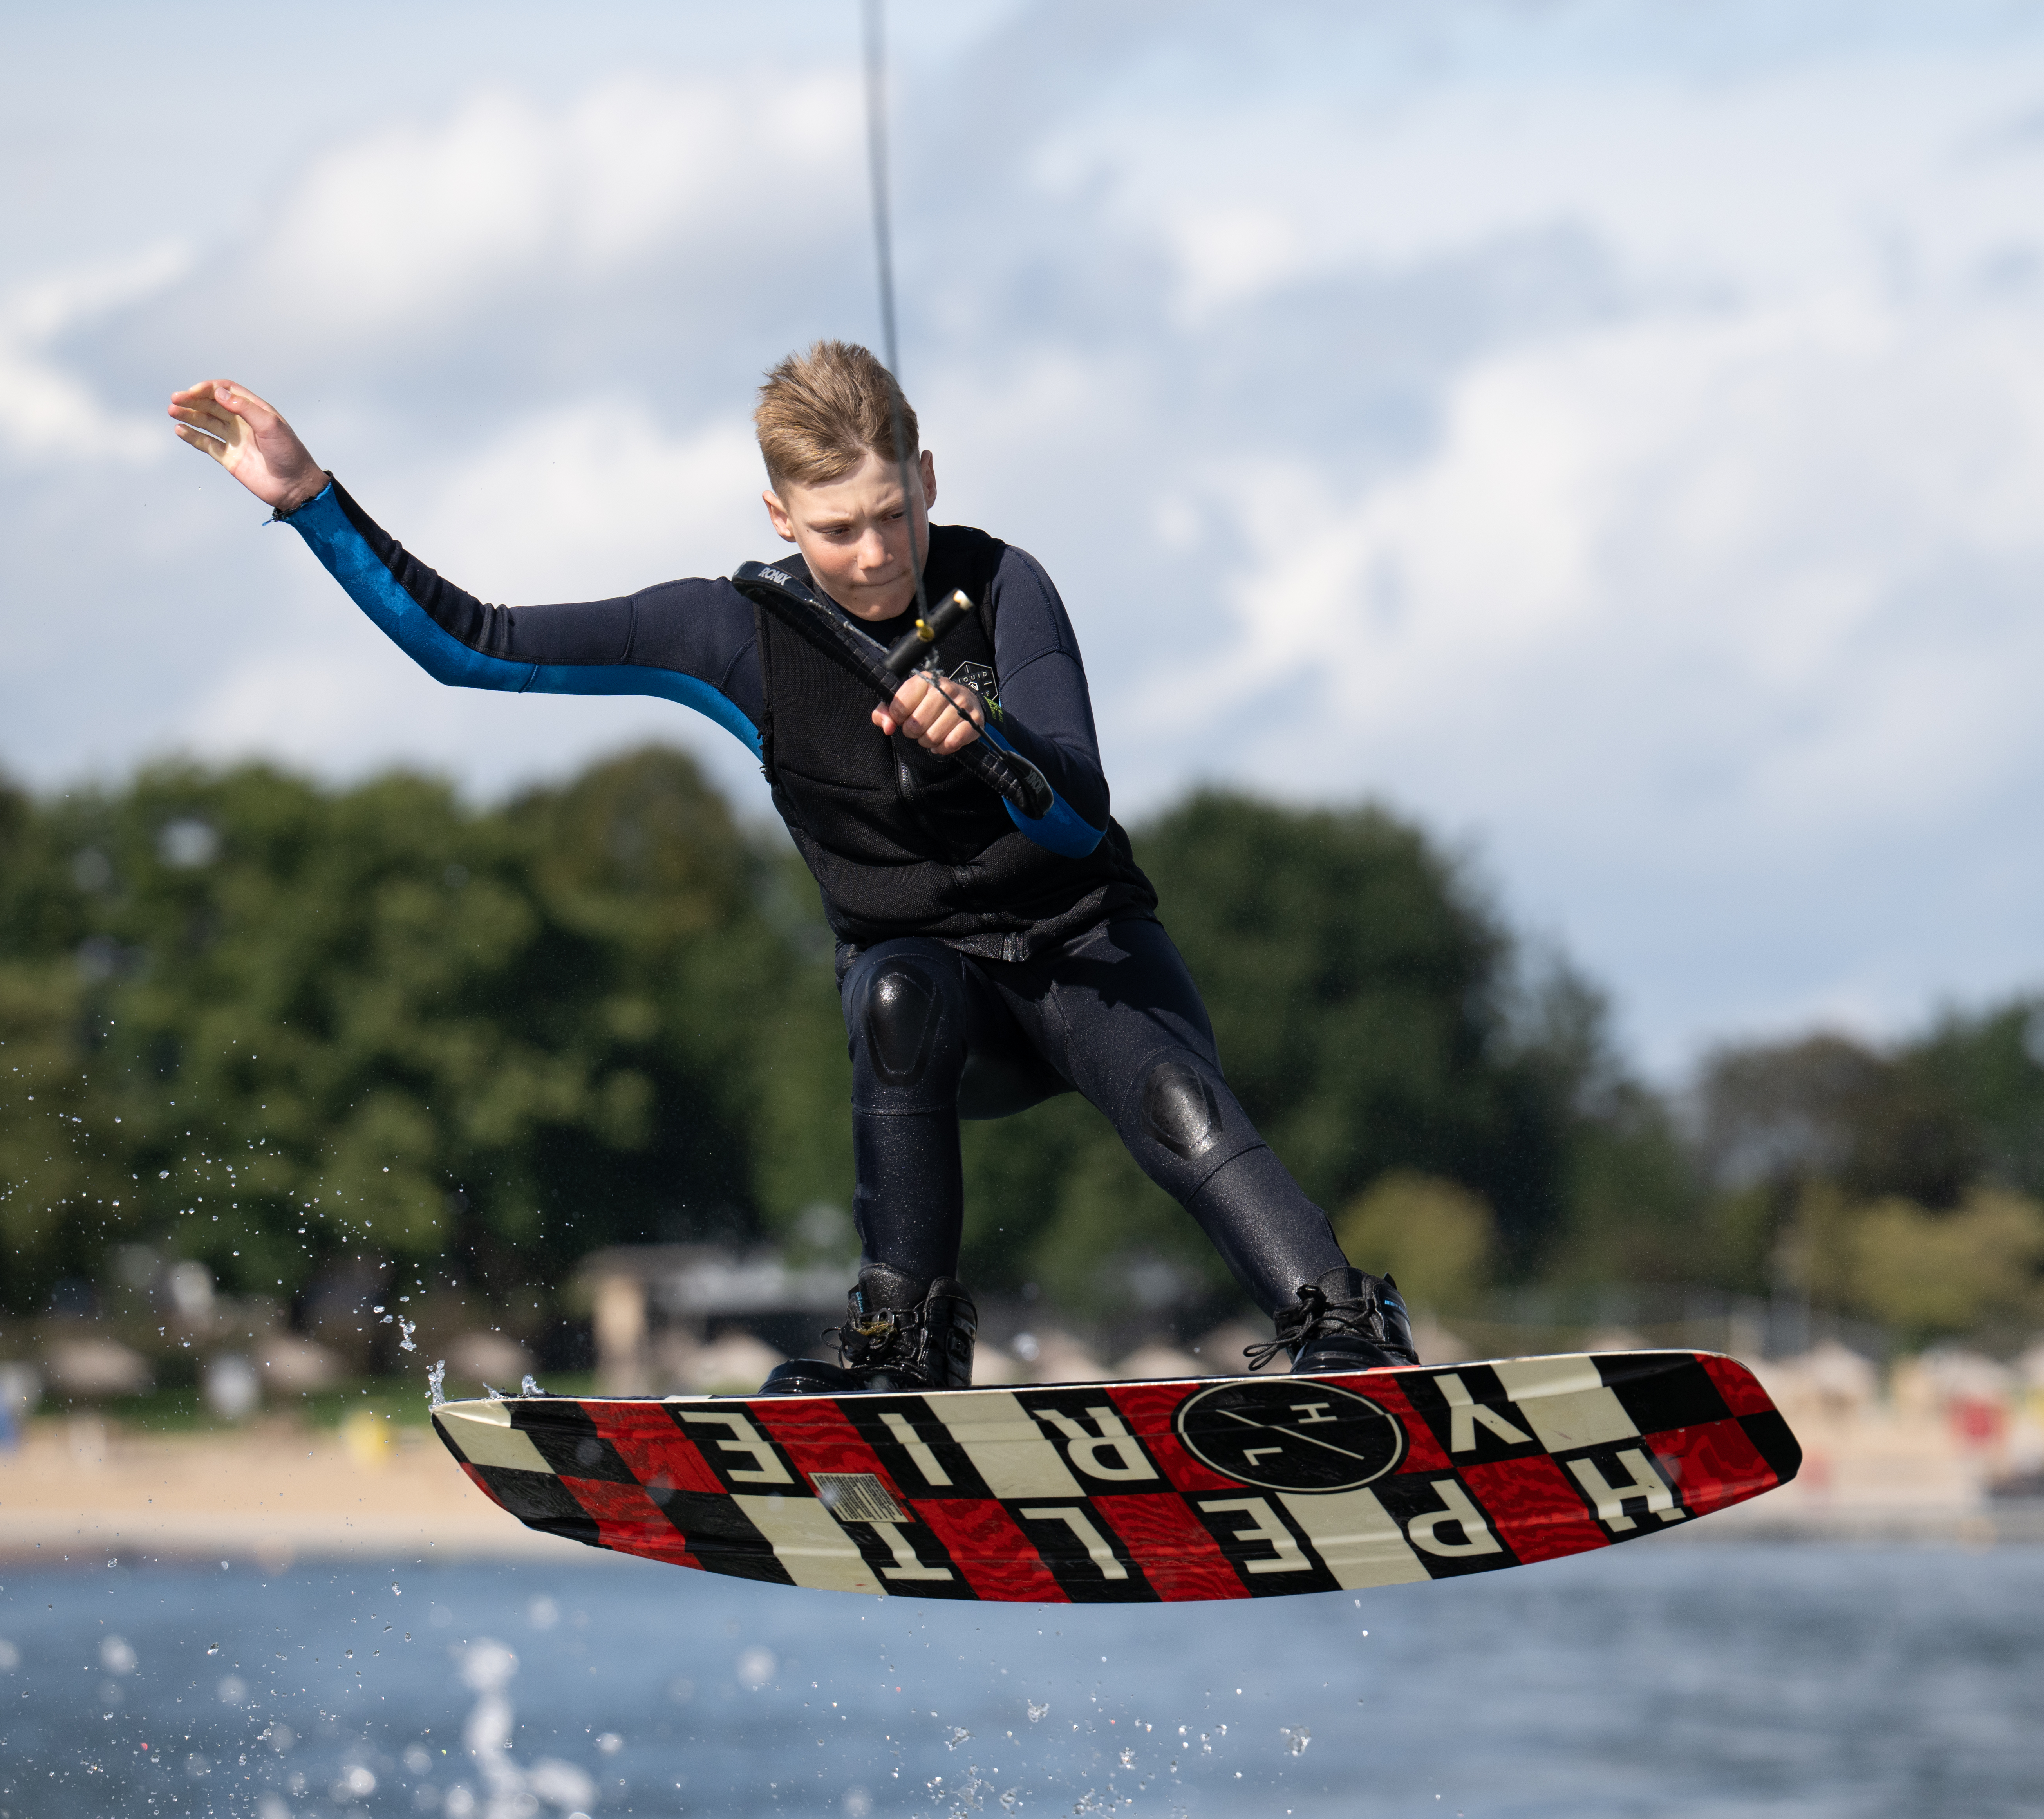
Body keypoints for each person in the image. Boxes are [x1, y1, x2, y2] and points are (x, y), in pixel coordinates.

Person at [168, 343, 1413, 1392]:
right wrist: (308, 497)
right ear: (779, 515)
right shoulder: (735, 633)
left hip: (1086, 959)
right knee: (895, 990)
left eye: (892, 515)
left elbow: (1081, 814)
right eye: (835, 529)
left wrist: (991, 743)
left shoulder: (1005, 585)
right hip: (932, 1014)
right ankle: (906, 1340)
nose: (874, 554)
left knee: (1175, 1100)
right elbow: (474, 646)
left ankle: (1346, 1326)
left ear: (927, 478)